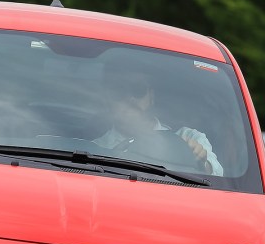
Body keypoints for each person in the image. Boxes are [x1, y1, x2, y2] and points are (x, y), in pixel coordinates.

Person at [93, 70, 224, 175]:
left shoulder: (189, 138)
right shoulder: (94, 150)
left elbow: (219, 178)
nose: (130, 98)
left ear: (151, 97)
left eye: (138, 89)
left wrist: (202, 163)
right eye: (120, 92)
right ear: (108, 101)